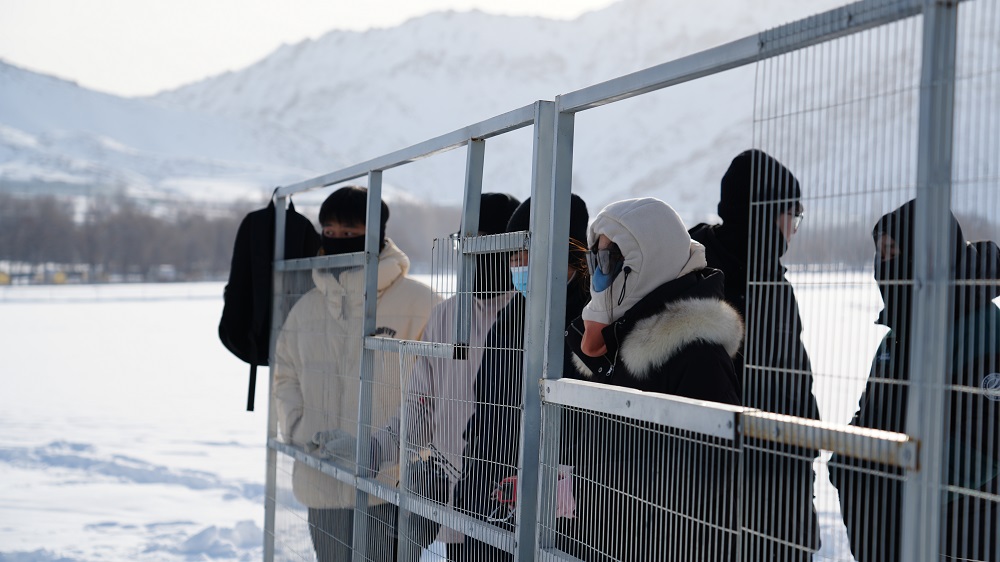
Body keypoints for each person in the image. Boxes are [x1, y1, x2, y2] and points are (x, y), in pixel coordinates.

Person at [565, 197, 743, 562]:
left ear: (645, 263)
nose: (598, 275)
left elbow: (704, 503)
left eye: (608, 261)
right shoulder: (616, 344)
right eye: (593, 261)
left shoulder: (698, 358)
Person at [829, 200, 1000, 562]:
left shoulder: (984, 330)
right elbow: (869, 414)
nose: (883, 265)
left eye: (892, 251)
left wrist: (894, 478)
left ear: (926, 256)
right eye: (880, 253)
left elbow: (983, 444)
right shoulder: (897, 338)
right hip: (900, 535)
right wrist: (846, 461)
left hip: (961, 540)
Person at [272, 185, 435, 561]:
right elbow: (285, 377)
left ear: (375, 233)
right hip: (322, 481)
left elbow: (441, 388)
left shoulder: (420, 303)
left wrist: (407, 454)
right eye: (330, 231)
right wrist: (300, 429)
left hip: (393, 488)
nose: (337, 240)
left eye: (349, 232)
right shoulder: (307, 307)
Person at [370, 192, 522, 562]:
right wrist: (374, 450)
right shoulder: (445, 317)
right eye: (464, 242)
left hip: (516, 509)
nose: (474, 254)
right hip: (457, 503)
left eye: (485, 242)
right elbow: (420, 407)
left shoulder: (535, 319)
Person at [688, 149, 821, 561]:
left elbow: (795, 377)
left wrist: (808, 439)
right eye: (791, 214)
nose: (793, 228)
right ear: (765, 211)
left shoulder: (773, 286)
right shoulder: (701, 278)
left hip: (778, 479)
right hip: (722, 490)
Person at [453, 194, 591, 562]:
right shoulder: (510, 318)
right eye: (514, 254)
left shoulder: (591, 325)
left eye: (528, 251)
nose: (519, 263)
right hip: (492, 500)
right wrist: (472, 483)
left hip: (560, 516)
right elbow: (486, 409)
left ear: (568, 253)